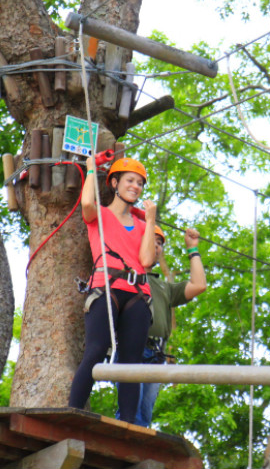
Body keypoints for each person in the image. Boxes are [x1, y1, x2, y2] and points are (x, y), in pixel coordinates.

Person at [68, 156, 157, 423]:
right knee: (96, 351)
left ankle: (128, 423)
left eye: (140, 183)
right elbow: (85, 203)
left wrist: (151, 220)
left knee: (131, 363)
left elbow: (146, 261)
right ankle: (72, 413)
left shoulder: (142, 225)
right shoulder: (100, 215)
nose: (136, 187)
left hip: (138, 294)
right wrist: (91, 168)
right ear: (115, 183)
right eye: (131, 181)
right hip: (106, 287)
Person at [116, 225, 208, 427]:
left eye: (160, 244)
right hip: (130, 349)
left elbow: (199, 285)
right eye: (152, 241)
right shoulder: (123, 278)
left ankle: (135, 449)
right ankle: (123, 444)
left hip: (155, 354)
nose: (156, 247)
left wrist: (193, 249)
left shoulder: (162, 287)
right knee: (130, 410)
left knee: (145, 413)